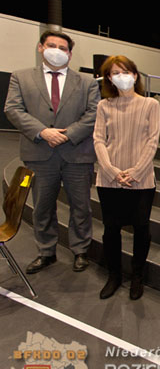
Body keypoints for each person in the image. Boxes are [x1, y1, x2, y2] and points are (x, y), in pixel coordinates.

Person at [4, 30, 100, 274]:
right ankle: (46, 251)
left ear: (69, 53)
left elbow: (93, 113)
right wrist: (43, 132)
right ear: (40, 47)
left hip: (77, 154)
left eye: (63, 48)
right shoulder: (21, 77)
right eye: (51, 45)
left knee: (81, 207)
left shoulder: (87, 82)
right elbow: (13, 109)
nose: (57, 51)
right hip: (39, 152)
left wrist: (67, 134)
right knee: (42, 206)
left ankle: (80, 250)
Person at [93, 55, 160, 300]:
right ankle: (114, 275)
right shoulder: (104, 106)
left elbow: (152, 141)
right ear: (109, 78)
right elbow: (99, 139)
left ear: (135, 75)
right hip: (109, 180)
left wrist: (135, 172)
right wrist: (112, 171)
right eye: (115, 73)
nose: (121, 76)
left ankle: (137, 276)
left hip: (141, 180)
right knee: (111, 230)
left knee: (141, 229)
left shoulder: (150, 105)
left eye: (126, 71)